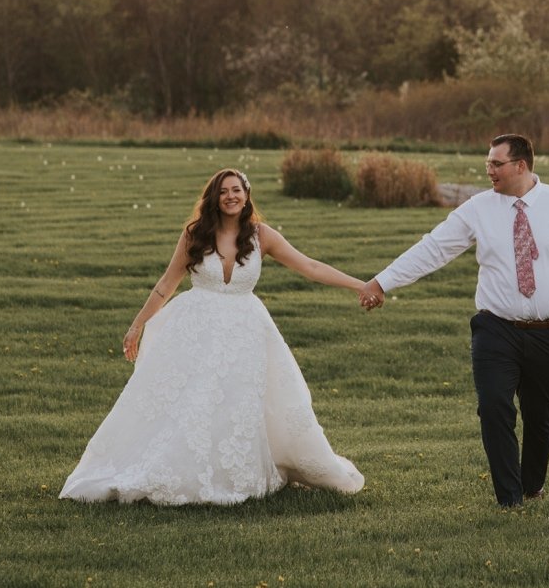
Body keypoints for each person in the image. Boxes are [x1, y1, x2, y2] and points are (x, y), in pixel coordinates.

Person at [60, 168, 367, 505]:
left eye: (237, 190)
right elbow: (166, 284)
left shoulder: (262, 236)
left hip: (244, 333)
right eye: (223, 191)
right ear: (214, 198)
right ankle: (181, 469)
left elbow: (312, 268)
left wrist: (361, 285)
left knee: (237, 402)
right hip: (196, 331)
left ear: (247, 195)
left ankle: (233, 471)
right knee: (192, 401)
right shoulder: (195, 234)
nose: (231, 196)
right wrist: (137, 325)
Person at [360, 133, 549, 508]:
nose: (488, 170)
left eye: (495, 164)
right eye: (487, 163)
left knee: (540, 414)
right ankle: (509, 498)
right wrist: (383, 281)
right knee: (493, 406)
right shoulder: (478, 208)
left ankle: (532, 485)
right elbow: (434, 248)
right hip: (495, 328)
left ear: (521, 165)